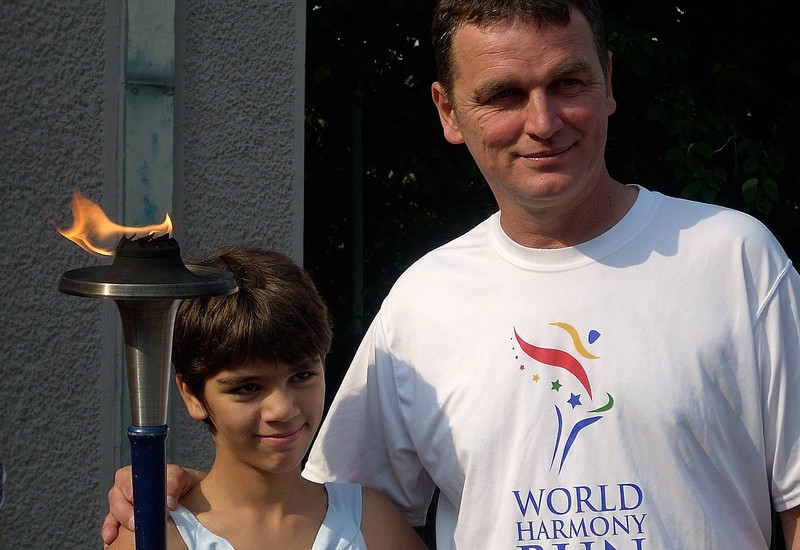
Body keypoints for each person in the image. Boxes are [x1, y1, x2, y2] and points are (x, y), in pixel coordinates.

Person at [104, 1, 800, 548]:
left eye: (568, 83)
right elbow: (319, 510)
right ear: (449, 111)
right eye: (504, 95)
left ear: (609, 83)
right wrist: (184, 493)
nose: (543, 121)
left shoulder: (733, 259)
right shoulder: (425, 301)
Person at [106, 246, 428, 549]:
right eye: (248, 388)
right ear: (192, 395)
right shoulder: (157, 538)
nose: (283, 409)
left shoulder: (372, 523)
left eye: (301, 376)